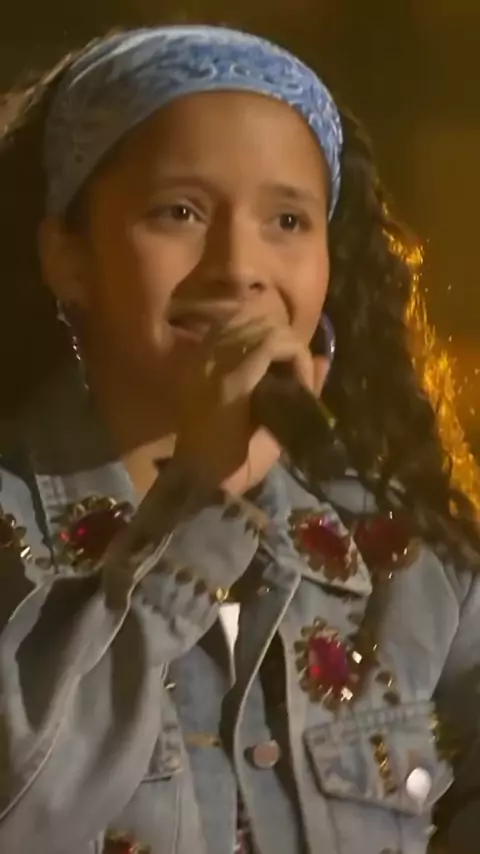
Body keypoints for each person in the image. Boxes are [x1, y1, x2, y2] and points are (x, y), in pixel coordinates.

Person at [0, 24, 479, 854]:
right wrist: (198, 501)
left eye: (287, 220)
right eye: (179, 212)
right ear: (67, 257)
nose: (238, 266)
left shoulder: (408, 551)